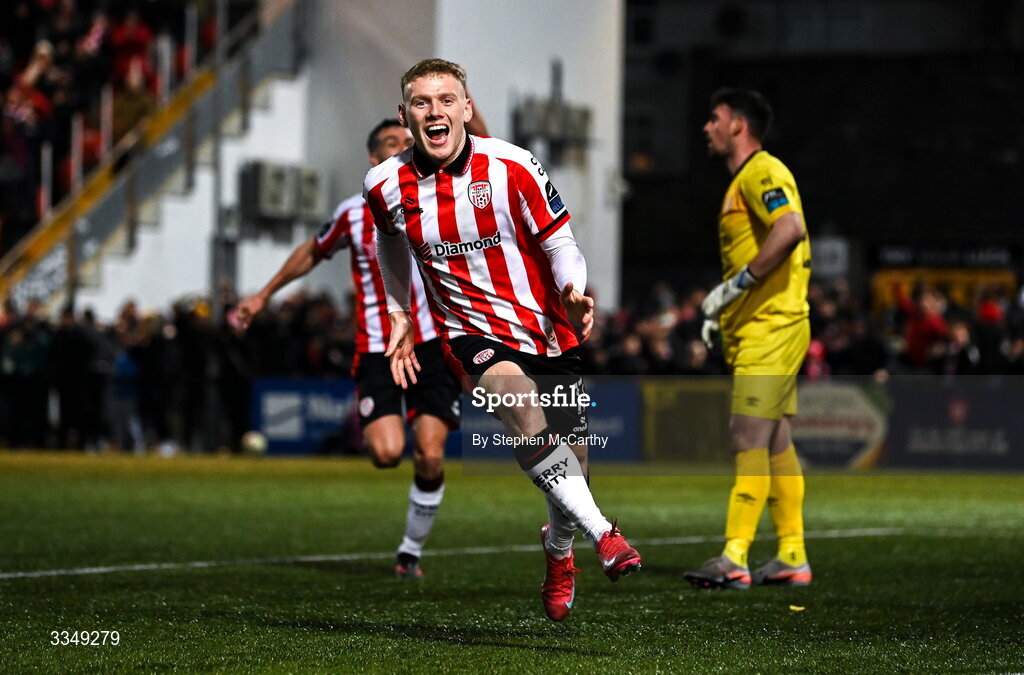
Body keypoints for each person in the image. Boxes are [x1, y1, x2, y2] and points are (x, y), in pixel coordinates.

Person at [364, 58, 642, 621]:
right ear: (405, 114)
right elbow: (389, 243)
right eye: (422, 102)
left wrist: (571, 291)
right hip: (467, 332)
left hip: (545, 326)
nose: (435, 111)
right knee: (519, 407)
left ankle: (559, 550)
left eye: (447, 100)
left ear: (467, 108)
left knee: (575, 469)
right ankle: (604, 534)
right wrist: (399, 311)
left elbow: (562, 242)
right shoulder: (385, 184)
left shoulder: (512, 165)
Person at [235, 119, 468, 580]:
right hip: (379, 349)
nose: (403, 146)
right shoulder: (354, 212)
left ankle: (409, 552)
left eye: (407, 141)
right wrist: (263, 295)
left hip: (432, 346)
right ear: (374, 158)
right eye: (391, 143)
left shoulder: (448, 198)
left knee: (430, 454)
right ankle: (401, 434)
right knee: (385, 454)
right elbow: (312, 251)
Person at [684, 88, 813, 590]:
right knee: (776, 441)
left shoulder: (761, 171)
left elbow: (790, 228)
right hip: (761, 325)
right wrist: (728, 308)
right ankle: (792, 555)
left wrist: (739, 285)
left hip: (771, 326)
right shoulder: (744, 180)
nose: (706, 127)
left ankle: (735, 556)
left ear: (738, 125)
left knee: (747, 436)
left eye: (714, 118)